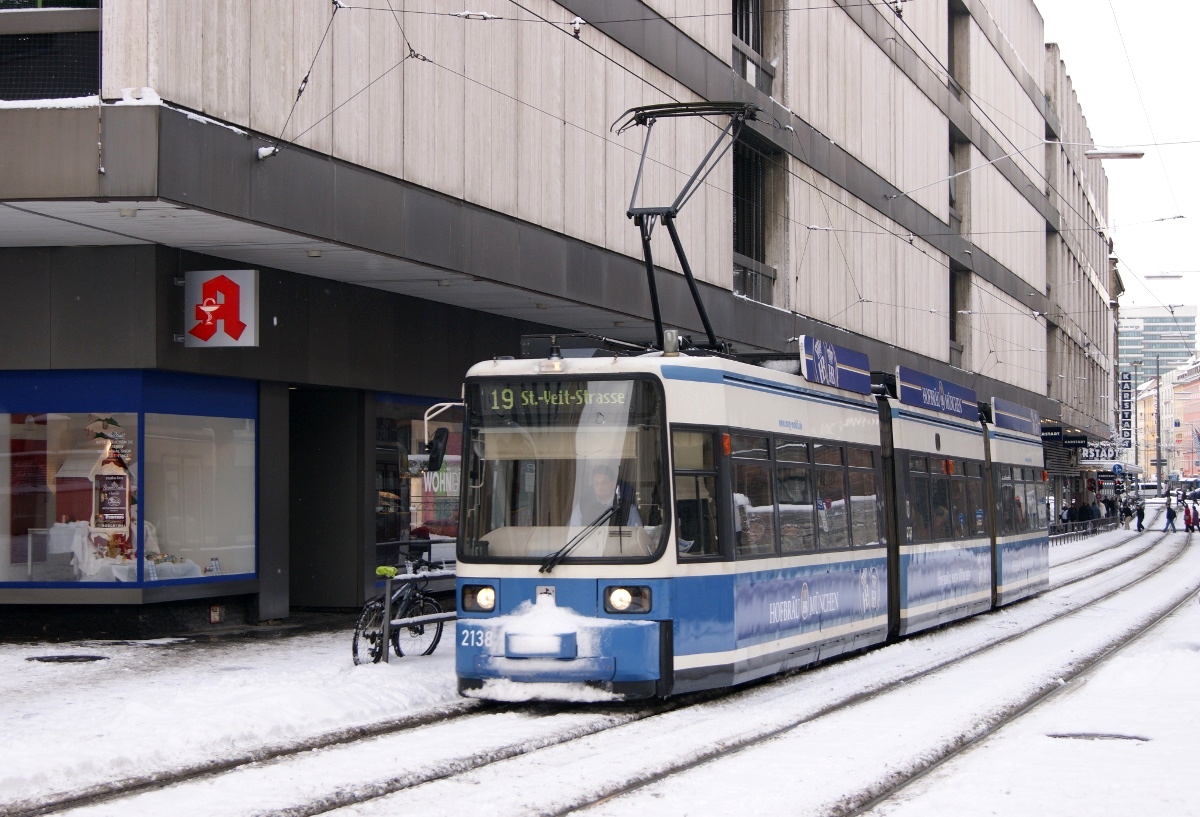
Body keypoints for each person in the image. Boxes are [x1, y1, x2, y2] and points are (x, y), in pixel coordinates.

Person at [569, 465, 642, 527]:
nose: (600, 487)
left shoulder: (628, 508)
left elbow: (637, 535)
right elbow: (571, 532)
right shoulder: (582, 505)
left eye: (604, 482)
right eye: (596, 483)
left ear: (613, 484)